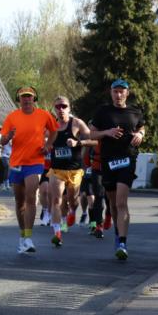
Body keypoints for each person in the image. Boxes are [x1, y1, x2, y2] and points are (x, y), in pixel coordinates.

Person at [86, 79, 146, 260]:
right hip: (108, 161)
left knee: (121, 202)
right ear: (111, 93)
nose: (118, 95)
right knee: (112, 204)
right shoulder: (103, 112)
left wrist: (140, 134)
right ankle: (117, 233)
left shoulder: (135, 111)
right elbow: (90, 133)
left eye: (122, 91)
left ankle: (122, 242)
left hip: (128, 160)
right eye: (115, 91)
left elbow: (142, 126)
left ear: (127, 93)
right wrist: (107, 133)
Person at [0, 86, 57, 253]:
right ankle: (22, 235)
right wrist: (7, 137)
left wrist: (48, 145)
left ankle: (29, 238)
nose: (26, 99)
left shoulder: (44, 115)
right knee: (20, 202)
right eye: (23, 97)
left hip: (35, 162)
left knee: (31, 197)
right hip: (16, 163)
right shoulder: (12, 117)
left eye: (29, 97)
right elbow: (2, 141)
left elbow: (54, 131)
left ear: (34, 99)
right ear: (19, 99)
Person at [47, 96, 94, 247]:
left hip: (75, 170)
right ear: (54, 109)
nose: (61, 109)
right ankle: (57, 233)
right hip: (57, 169)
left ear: (69, 108)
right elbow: (40, 139)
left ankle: (73, 211)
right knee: (56, 199)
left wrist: (78, 142)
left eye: (64, 106)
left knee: (72, 200)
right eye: (58, 107)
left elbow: (94, 140)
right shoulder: (51, 125)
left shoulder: (77, 123)